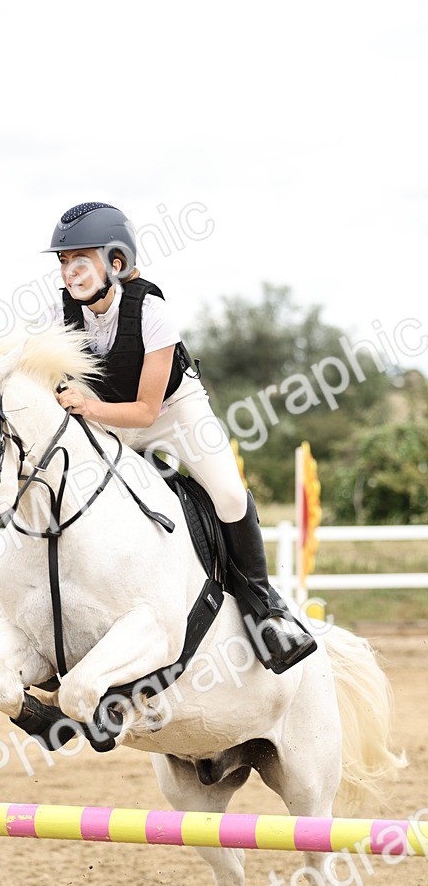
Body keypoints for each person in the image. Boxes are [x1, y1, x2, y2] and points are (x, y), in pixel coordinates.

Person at [44, 201, 316, 674]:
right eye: (64, 261)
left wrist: (86, 407)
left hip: (173, 410)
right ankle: (54, 630)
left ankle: (265, 608)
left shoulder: (152, 310)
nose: (70, 271)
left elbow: (147, 410)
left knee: (229, 494)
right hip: (108, 416)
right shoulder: (58, 313)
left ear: (116, 262)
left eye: (80, 259)